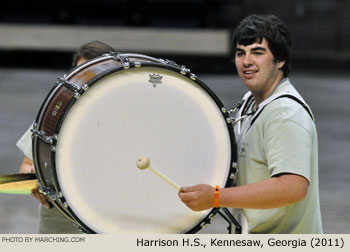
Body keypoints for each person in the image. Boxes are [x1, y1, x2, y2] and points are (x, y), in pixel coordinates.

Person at [178, 14, 323, 234]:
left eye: (257, 52)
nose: (246, 61)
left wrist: (215, 197)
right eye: (240, 53)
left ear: (280, 59)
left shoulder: (284, 113)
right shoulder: (250, 102)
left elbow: (292, 187)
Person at [17, 40, 115, 234]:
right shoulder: (54, 113)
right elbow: (27, 165)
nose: (86, 81)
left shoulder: (130, 118)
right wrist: (34, 183)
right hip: (57, 230)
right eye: (81, 74)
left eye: (94, 74)